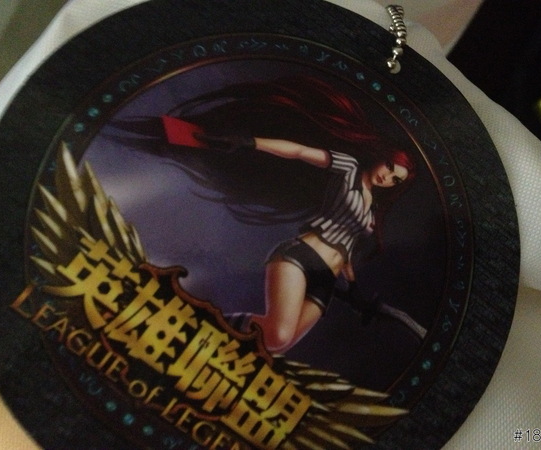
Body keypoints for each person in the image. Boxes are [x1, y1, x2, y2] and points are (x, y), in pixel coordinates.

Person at [116, 75, 417, 352]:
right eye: (390, 167)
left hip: (326, 280)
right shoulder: (349, 169)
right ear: (382, 157)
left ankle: (204, 343)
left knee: (275, 345)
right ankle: (191, 322)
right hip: (303, 256)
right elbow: (299, 151)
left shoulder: (372, 209)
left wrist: (353, 289)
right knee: (278, 335)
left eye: (396, 180)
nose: (387, 177)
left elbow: (347, 249)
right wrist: (250, 142)